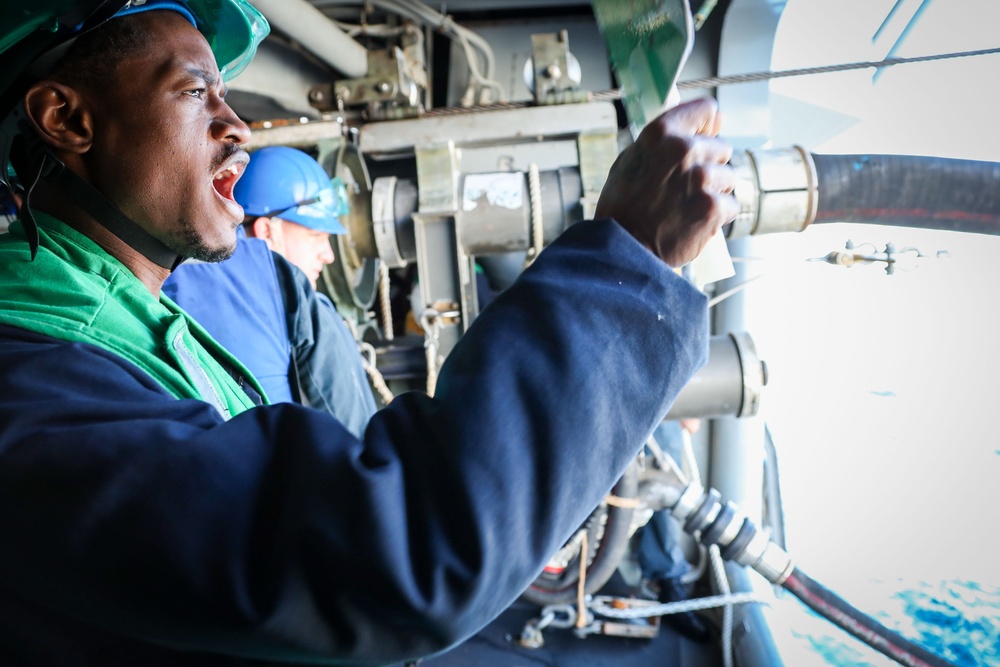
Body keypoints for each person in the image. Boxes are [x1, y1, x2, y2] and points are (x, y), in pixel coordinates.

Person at [0, 2, 738, 665]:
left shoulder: (159, 302)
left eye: (224, 94)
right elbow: (402, 552)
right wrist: (628, 257)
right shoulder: (30, 391)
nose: (237, 127)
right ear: (67, 120)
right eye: (196, 92)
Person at [163, 147, 376, 437]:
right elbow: (354, 433)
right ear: (266, 231)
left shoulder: (167, 270)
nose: (328, 255)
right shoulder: (295, 296)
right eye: (316, 236)